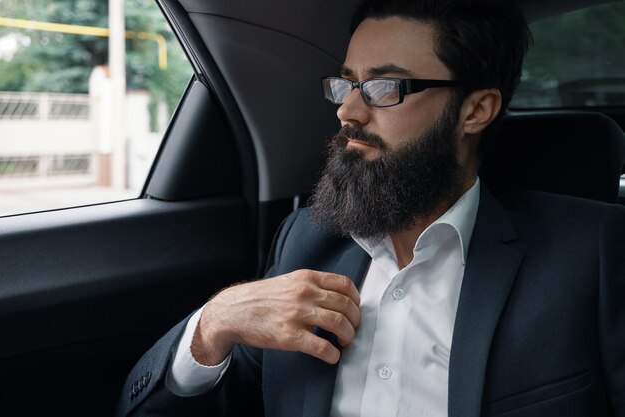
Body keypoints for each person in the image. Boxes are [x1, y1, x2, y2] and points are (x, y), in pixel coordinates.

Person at [116, 0, 625, 416]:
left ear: (475, 110)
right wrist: (215, 321)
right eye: (347, 84)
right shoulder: (307, 241)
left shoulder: (594, 252)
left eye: (385, 87)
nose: (348, 111)